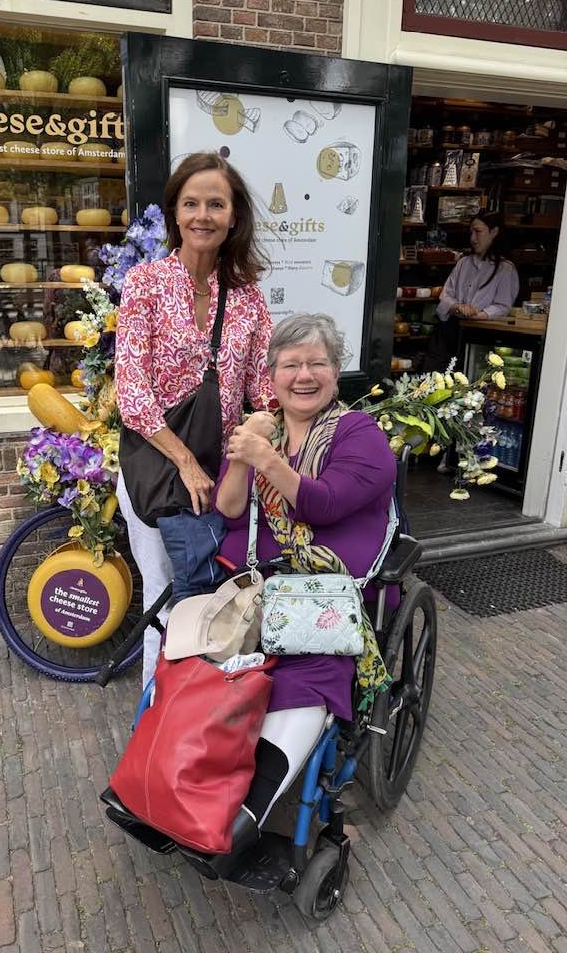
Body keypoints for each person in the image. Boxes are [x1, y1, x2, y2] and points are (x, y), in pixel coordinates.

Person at [214, 312, 396, 825]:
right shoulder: (259, 430)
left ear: (337, 373)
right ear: (271, 376)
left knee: (312, 667)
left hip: (330, 589)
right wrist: (246, 456)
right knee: (208, 656)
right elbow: (229, 509)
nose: (304, 376)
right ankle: (189, 767)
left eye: (318, 363)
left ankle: (249, 806)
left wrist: (267, 460)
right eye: (290, 364)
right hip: (258, 578)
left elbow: (326, 505)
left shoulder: (359, 434)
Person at [115, 152, 275, 685]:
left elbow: (262, 388)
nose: (202, 214)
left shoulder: (248, 298)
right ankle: (157, 716)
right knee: (166, 596)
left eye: (215, 203)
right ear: (174, 213)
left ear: (233, 216)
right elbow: (132, 392)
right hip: (158, 467)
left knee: (211, 595)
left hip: (221, 475)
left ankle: (204, 710)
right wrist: (184, 461)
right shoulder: (146, 284)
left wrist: (267, 427)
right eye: (191, 203)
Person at [425, 210, 519, 371]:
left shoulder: (505, 269)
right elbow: (446, 294)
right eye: (471, 232)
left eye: (478, 232)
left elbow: (503, 306)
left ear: (494, 232)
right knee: (432, 377)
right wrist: (457, 307)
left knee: (463, 381)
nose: (473, 238)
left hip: (479, 333)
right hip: (449, 330)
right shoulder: (464, 263)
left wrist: (477, 314)